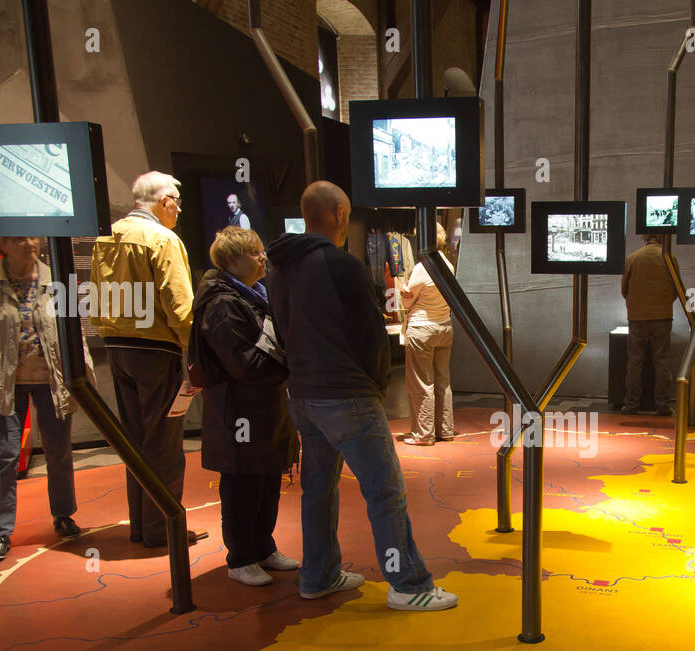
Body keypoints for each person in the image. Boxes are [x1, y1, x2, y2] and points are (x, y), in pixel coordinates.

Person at [265, 180, 457, 611]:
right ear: (338, 215)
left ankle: (318, 575)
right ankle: (408, 584)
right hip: (347, 395)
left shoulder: (278, 268)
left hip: (304, 397)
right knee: (385, 491)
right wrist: (374, 385)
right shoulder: (341, 265)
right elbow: (371, 336)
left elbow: (279, 329)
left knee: (318, 490)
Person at [0, 237, 94, 562]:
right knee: (4, 455)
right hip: (2, 382)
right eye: (20, 238)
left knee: (59, 451)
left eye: (33, 236)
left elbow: (75, 331)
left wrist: (84, 375)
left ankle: (63, 514)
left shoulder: (56, 279)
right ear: (1, 244)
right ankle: (0, 532)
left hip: (51, 379)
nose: (30, 243)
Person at [90, 170, 204, 550]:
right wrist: (198, 354)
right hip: (157, 351)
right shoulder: (162, 239)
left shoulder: (107, 237)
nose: (179, 210)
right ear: (164, 202)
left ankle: (142, 525)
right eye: (177, 203)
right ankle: (161, 528)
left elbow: (96, 296)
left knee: (135, 441)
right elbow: (180, 306)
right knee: (164, 444)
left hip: (117, 348)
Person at [191, 227, 298, 586]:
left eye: (260, 251)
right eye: (253, 253)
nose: (261, 257)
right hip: (237, 411)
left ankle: (263, 547)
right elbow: (244, 364)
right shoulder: (221, 303)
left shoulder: (255, 295)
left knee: (267, 479)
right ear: (230, 260)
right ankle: (240, 557)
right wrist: (285, 362)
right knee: (242, 485)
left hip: (264, 406)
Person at [399, 221, 456, 445]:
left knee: (421, 383)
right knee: (443, 381)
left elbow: (408, 301)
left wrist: (405, 294)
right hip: (444, 327)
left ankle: (423, 434)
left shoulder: (423, 267)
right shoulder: (447, 265)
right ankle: (445, 430)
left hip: (421, 329)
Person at [620, 234, 678, 415]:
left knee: (635, 361)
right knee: (662, 361)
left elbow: (624, 289)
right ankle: (663, 405)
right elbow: (677, 288)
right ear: (661, 238)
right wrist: (665, 303)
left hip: (637, 317)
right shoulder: (669, 257)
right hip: (662, 316)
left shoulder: (633, 257)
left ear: (644, 239)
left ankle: (631, 404)